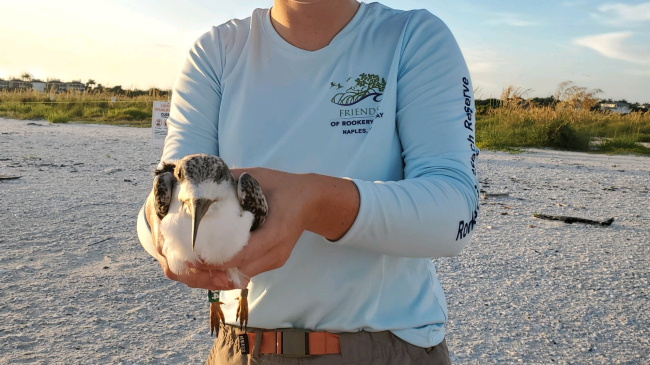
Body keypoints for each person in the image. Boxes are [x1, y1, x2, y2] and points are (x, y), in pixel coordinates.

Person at [136, 0, 480, 363]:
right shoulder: (214, 51)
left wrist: (315, 204)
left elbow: (455, 214)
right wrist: (161, 230)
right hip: (242, 346)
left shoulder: (414, 37)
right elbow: (163, 199)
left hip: (386, 346)